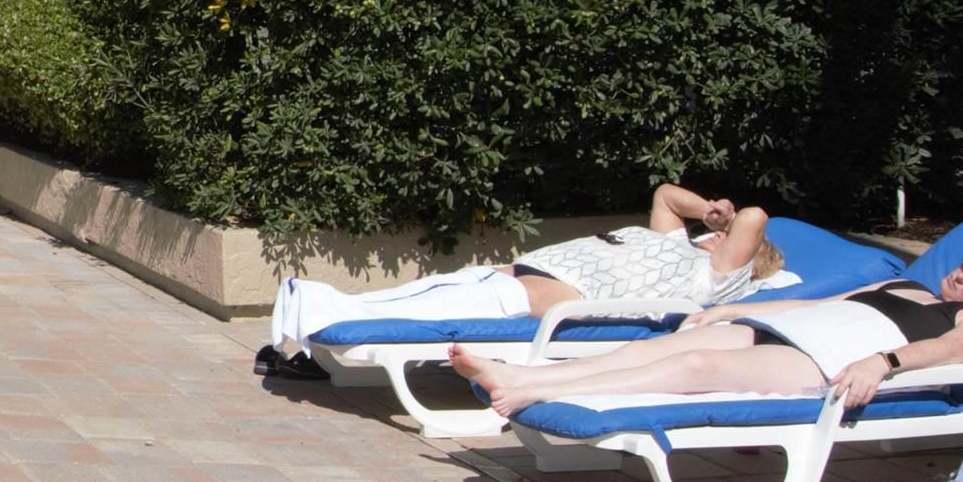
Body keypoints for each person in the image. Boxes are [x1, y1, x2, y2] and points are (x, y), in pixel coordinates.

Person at [452, 249, 963, 417]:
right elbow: (820, 301)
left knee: (694, 372)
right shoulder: (910, 285)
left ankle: (532, 390)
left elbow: (944, 350)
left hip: (830, 360)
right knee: (657, 347)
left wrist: (882, 363)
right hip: (787, 327)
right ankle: (523, 376)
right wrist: (727, 313)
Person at [268, 184, 785, 353]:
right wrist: (707, 209)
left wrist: (731, 219)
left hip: (537, 299)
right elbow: (666, 195)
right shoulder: (673, 243)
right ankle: (306, 317)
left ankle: (308, 315)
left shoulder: (716, 276)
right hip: (511, 273)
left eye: (725, 235)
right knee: (405, 298)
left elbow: (756, 217)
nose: (715, 232)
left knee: (412, 312)